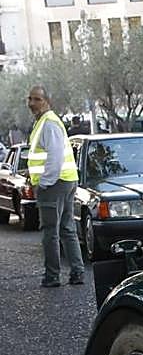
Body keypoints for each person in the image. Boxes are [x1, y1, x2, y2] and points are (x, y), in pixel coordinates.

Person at [27, 85, 85, 287]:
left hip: (55, 184)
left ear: (47, 101)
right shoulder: (46, 122)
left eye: (37, 99)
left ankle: (52, 276)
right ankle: (77, 273)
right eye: (30, 99)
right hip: (66, 181)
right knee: (67, 229)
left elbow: (54, 157)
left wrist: (43, 183)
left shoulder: (48, 124)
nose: (32, 103)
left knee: (50, 231)